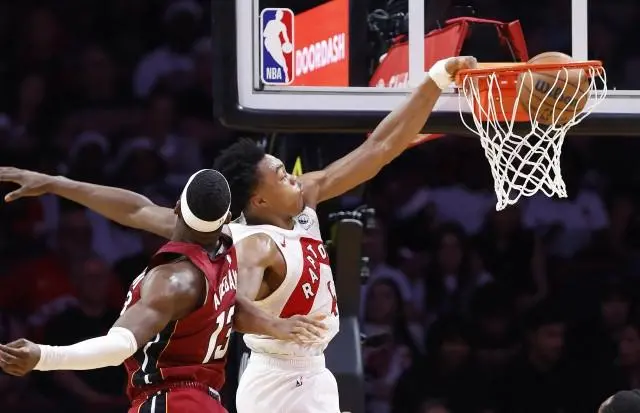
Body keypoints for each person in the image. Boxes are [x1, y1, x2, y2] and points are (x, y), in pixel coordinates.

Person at [0, 56, 477, 413]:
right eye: (281, 175)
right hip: (280, 378)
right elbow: (231, 304)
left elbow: (380, 147)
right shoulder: (252, 246)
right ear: (259, 201)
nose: (293, 176)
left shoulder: (304, 199)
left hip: (310, 371)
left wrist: (434, 82)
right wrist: (274, 325)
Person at [0, 169, 325, 413]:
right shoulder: (227, 244)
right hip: (208, 403)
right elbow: (133, 209)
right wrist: (55, 183)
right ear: (224, 218)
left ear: (177, 206)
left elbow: (118, 346)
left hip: (170, 401)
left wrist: (43, 357)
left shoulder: (174, 280)